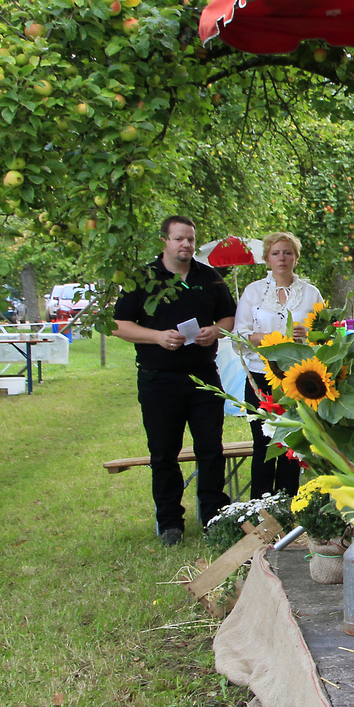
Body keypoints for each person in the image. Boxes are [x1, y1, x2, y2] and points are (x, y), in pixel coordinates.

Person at [112, 216, 237, 546]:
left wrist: (217, 330)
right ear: (164, 241)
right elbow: (118, 325)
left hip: (203, 378)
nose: (186, 245)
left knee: (211, 449)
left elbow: (229, 316)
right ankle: (170, 522)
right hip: (158, 380)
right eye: (179, 239)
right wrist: (155, 336)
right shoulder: (143, 279)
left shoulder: (209, 278)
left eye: (191, 240)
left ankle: (213, 517)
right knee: (163, 453)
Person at [233, 232, 323, 498]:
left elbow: (325, 332)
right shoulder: (254, 292)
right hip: (261, 375)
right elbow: (240, 334)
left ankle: (288, 501)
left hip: (298, 378)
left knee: (292, 442)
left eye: (287, 253)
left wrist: (307, 335)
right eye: (276, 253)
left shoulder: (310, 292)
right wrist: (277, 340)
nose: (282, 258)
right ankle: (261, 506)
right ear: (267, 259)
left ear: (295, 257)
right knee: (263, 442)